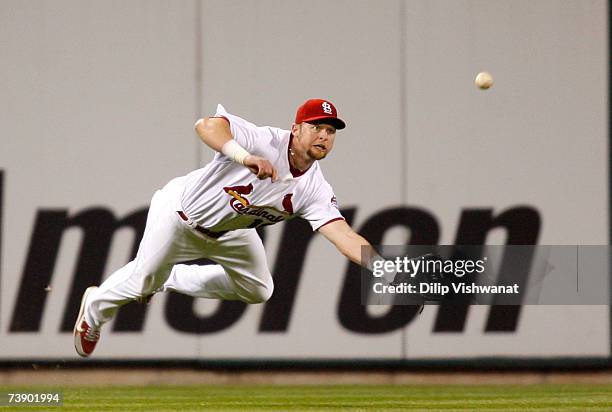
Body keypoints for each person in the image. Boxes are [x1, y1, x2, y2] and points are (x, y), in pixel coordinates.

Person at [74, 98, 384, 357]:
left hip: (233, 231)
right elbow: (205, 125)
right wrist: (244, 156)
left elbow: (341, 233)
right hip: (180, 216)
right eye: (316, 126)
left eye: (330, 131)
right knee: (141, 283)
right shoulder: (265, 141)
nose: (324, 136)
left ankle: (170, 277)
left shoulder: (314, 188)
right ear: (296, 128)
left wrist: (381, 265)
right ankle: (94, 312)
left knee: (259, 288)